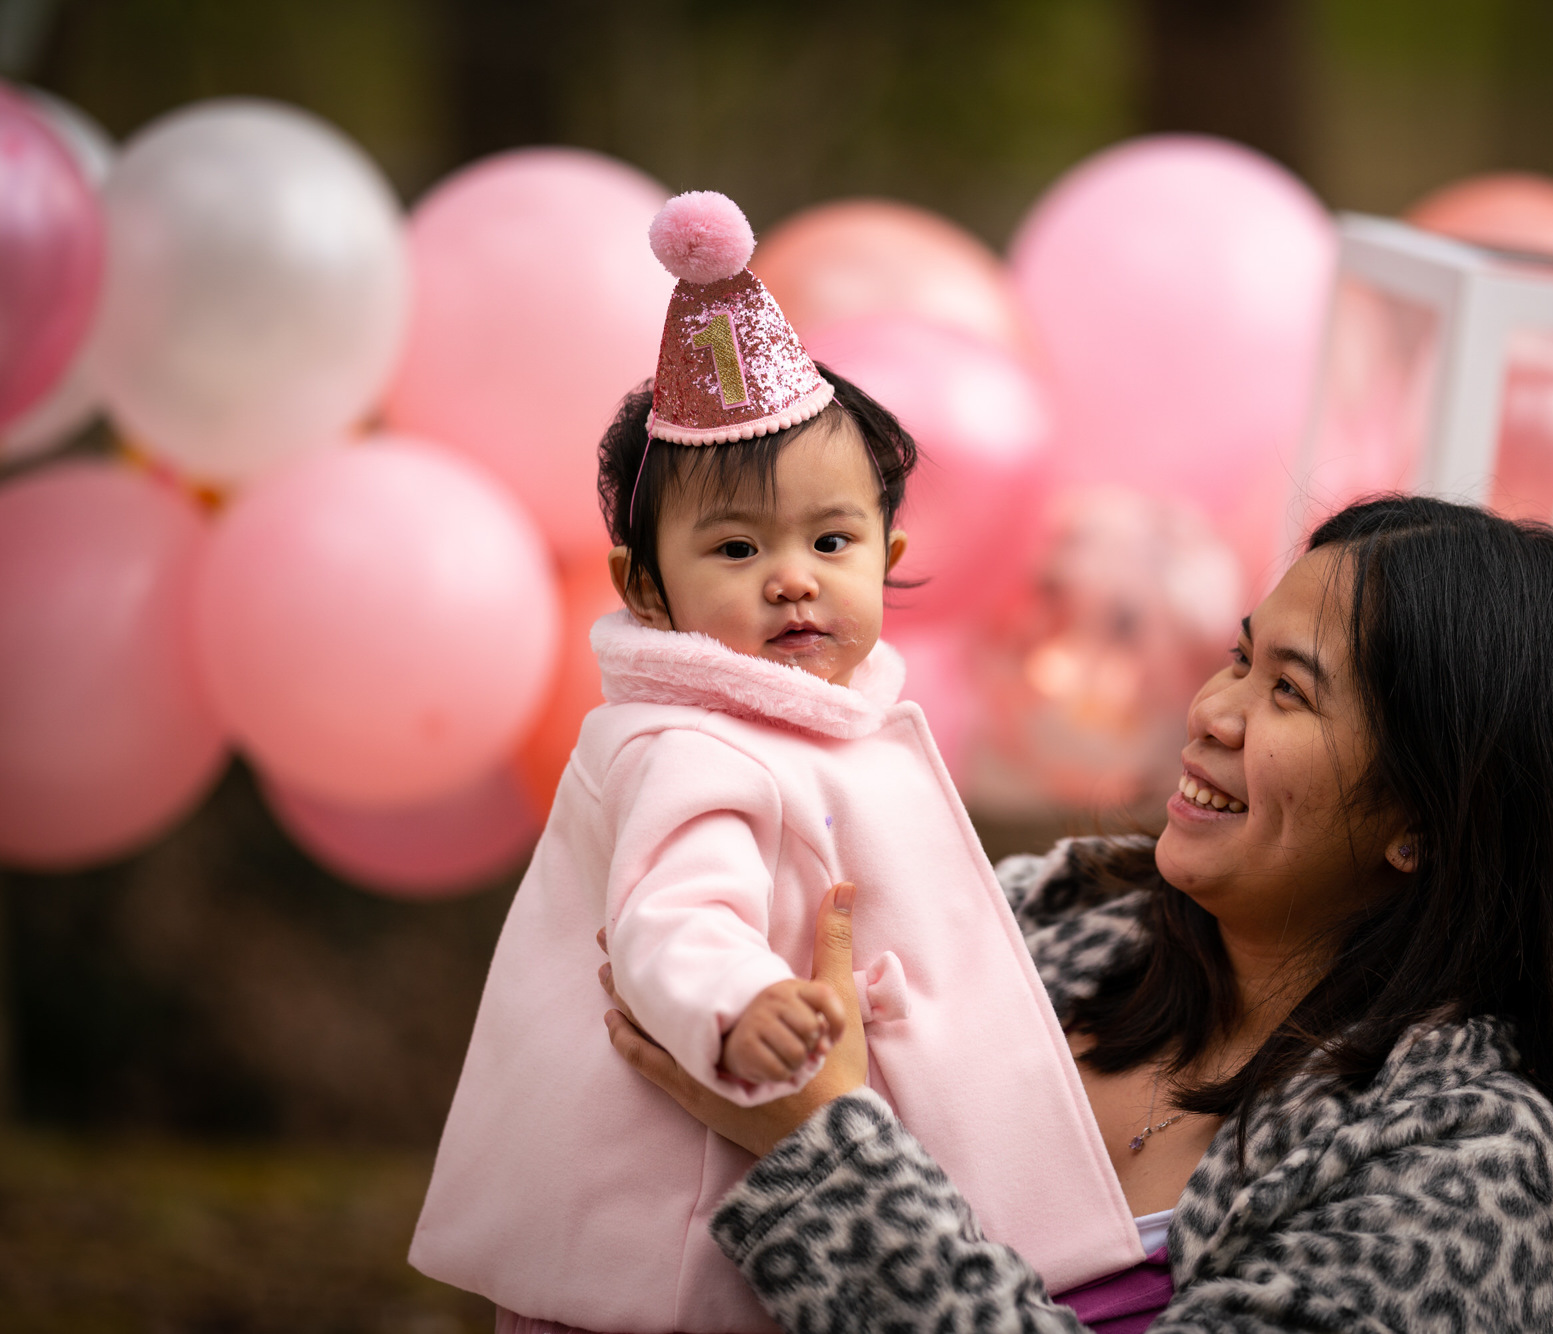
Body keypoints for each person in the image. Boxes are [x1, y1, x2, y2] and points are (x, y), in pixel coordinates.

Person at [604, 494, 1553, 1333]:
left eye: (1288, 692)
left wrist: (818, 1150)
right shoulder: (1060, 917)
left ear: (1428, 817)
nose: (1209, 709)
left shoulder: (1477, 1158)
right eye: (1241, 656)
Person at [411, 192, 1141, 1334]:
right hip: (678, 1232)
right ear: (645, 586)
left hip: (796, 1181)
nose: (792, 576)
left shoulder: (819, 712)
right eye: (737, 547)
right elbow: (671, 913)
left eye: (829, 541)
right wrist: (737, 999)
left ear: (890, 554)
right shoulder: (689, 741)